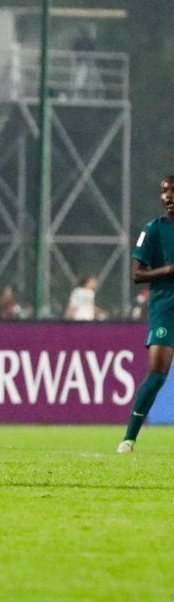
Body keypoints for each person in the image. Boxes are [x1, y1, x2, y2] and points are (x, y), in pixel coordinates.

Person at [118, 175, 174, 453]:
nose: (169, 197)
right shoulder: (153, 229)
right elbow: (136, 274)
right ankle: (129, 438)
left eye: (173, 192)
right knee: (157, 374)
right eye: (165, 192)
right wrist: (166, 270)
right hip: (165, 307)